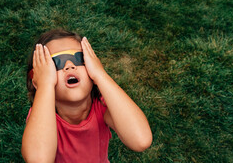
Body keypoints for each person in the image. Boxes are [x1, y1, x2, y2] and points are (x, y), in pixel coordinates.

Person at [21, 29, 152, 163]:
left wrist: (100, 75)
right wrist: (45, 85)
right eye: (55, 63)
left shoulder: (102, 106)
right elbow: (38, 159)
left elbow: (141, 140)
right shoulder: (41, 116)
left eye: (79, 58)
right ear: (39, 79)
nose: (70, 66)